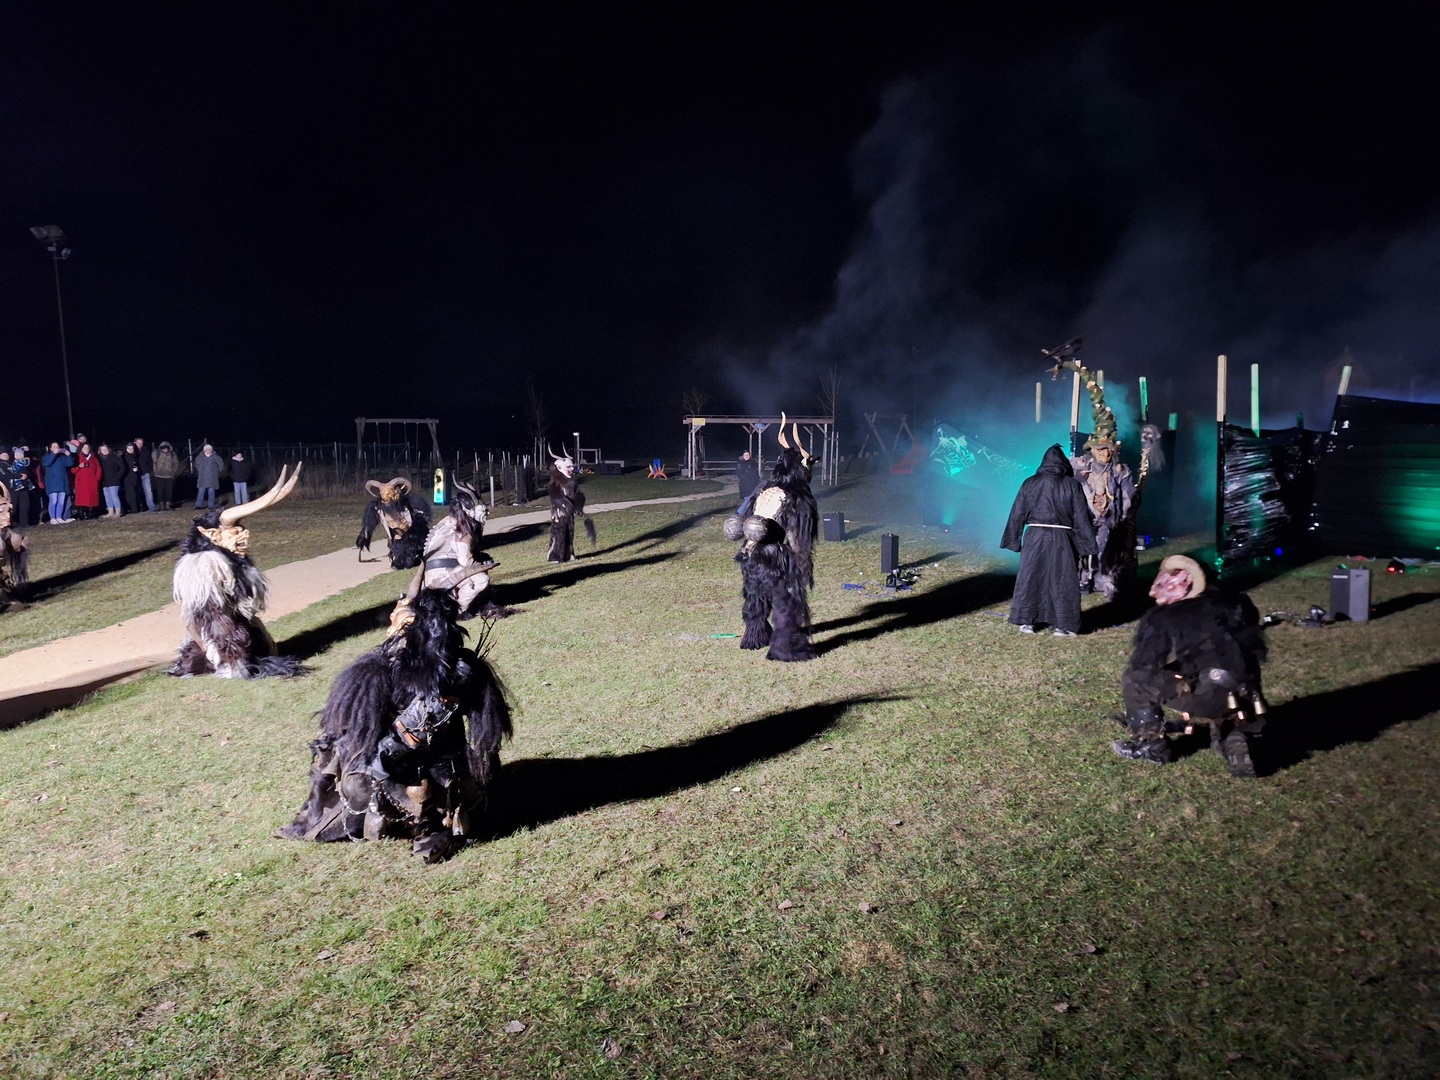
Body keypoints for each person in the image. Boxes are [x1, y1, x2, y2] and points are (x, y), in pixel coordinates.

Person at [1112, 554, 1267, 777]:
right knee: (1236, 681)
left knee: (1135, 678)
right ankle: (1238, 735)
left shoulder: (1165, 617)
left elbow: (1148, 662)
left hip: (1199, 694)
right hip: (1242, 692)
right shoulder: (1238, 602)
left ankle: (1150, 743)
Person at [169, 463, 305, 678]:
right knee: (216, 618)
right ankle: (232, 663)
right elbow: (209, 619)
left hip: (237, 631)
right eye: (234, 533)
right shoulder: (205, 570)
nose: (242, 537)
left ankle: (247, 656)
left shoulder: (231, 562)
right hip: (220, 640)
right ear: (213, 536)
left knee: (250, 628)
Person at [727, 413, 819, 661]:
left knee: (755, 597)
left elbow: (745, 513)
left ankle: (754, 637)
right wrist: (802, 566)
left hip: (750, 552)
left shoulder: (764, 488)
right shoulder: (798, 497)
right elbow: (798, 537)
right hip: (775, 557)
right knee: (787, 600)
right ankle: (785, 648)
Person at [1000, 444, 1098, 637]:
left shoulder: (1030, 483)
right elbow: (1080, 517)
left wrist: (1013, 539)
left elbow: (1017, 513)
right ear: (1064, 464)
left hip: (1035, 537)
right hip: (1062, 539)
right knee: (1062, 579)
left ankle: (1027, 622)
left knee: (1031, 576)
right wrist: (1087, 545)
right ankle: (1062, 625)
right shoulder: (1072, 485)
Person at [1071, 436, 1135, 601]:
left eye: (1108, 449)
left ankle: (1106, 583)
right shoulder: (1079, 466)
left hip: (1109, 518)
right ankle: (1083, 581)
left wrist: (1121, 515)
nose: (1105, 453)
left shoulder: (1119, 470)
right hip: (1084, 517)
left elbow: (1127, 496)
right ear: (1092, 449)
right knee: (1084, 551)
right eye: (1100, 449)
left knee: (1107, 551)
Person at [546, 444, 594, 563]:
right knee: (559, 533)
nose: (572, 469)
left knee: (570, 532)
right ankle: (554, 556)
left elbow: (578, 494)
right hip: (559, 513)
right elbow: (555, 496)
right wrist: (566, 505)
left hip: (570, 512)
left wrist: (579, 506)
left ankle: (568, 554)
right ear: (559, 467)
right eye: (568, 467)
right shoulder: (555, 482)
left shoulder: (571, 481)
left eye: (572, 467)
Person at [41, 441, 75, 524]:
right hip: (52, 483)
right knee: (54, 500)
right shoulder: (47, 456)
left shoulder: (62, 457)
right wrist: (54, 454)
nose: (56, 448)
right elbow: (47, 463)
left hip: (62, 482)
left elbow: (69, 464)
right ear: (50, 448)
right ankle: (53, 518)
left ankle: (59, 517)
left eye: (57, 446)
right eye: (54, 446)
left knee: (61, 500)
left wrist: (68, 455)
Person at [70, 442, 101, 520]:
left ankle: (91, 513)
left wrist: (97, 478)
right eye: (84, 448)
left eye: (88, 448)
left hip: (92, 482)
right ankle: (82, 513)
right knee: (82, 498)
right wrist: (79, 467)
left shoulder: (94, 459)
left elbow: (99, 469)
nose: (86, 449)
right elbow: (72, 470)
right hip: (81, 482)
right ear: (81, 449)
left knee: (92, 498)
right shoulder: (77, 458)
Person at [7, 446, 36, 528]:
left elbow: (30, 471)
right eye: (16, 454)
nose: (18, 456)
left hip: (24, 487)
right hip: (14, 488)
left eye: (20, 454)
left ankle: (24, 523)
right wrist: (19, 476)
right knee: (13, 506)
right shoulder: (11, 463)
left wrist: (26, 475)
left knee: (25, 506)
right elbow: (9, 474)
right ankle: (10, 522)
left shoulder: (25, 463)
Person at [151, 441, 182, 510]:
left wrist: (173, 472)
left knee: (169, 491)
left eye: (166, 448)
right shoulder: (157, 454)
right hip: (159, 476)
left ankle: (168, 505)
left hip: (169, 476)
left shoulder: (172, 454)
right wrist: (156, 471)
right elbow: (154, 463)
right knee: (160, 491)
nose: (165, 449)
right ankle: (161, 505)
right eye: (163, 448)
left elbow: (176, 463)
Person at [98, 443, 125, 518]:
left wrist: (118, 477)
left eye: (105, 449)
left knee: (114, 496)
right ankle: (110, 512)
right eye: (102, 449)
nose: (104, 450)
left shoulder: (114, 457)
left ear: (108, 449)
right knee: (107, 497)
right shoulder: (99, 459)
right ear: (100, 451)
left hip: (114, 480)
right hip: (104, 481)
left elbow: (122, 467)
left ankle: (118, 512)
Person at [193, 444, 224, 509]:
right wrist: (201, 471)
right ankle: (198, 505)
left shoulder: (215, 457)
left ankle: (211, 505)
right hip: (202, 478)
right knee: (201, 492)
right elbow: (196, 465)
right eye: (207, 449)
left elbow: (221, 465)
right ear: (204, 450)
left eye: (210, 449)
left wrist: (217, 472)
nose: (208, 450)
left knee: (211, 492)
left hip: (212, 478)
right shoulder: (200, 457)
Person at [133, 436, 157, 512]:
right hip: (135, 475)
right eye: (138, 443)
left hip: (145, 474)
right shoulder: (131, 451)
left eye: (141, 443)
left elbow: (150, 461)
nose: (140, 445)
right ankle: (140, 506)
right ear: (134, 443)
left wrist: (147, 470)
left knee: (148, 491)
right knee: (137, 491)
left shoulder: (145, 451)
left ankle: (152, 507)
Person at [121, 441, 144, 515]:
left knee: (136, 493)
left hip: (135, 478)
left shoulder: (135, 457)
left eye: (132, 448)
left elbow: (139, 467)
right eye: (129, 448)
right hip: (127, 478)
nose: (130, 450)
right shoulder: (124, 457)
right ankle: (134, 509)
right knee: (131, 494)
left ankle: (136, 508)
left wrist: (138, 470)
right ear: (126, 449)